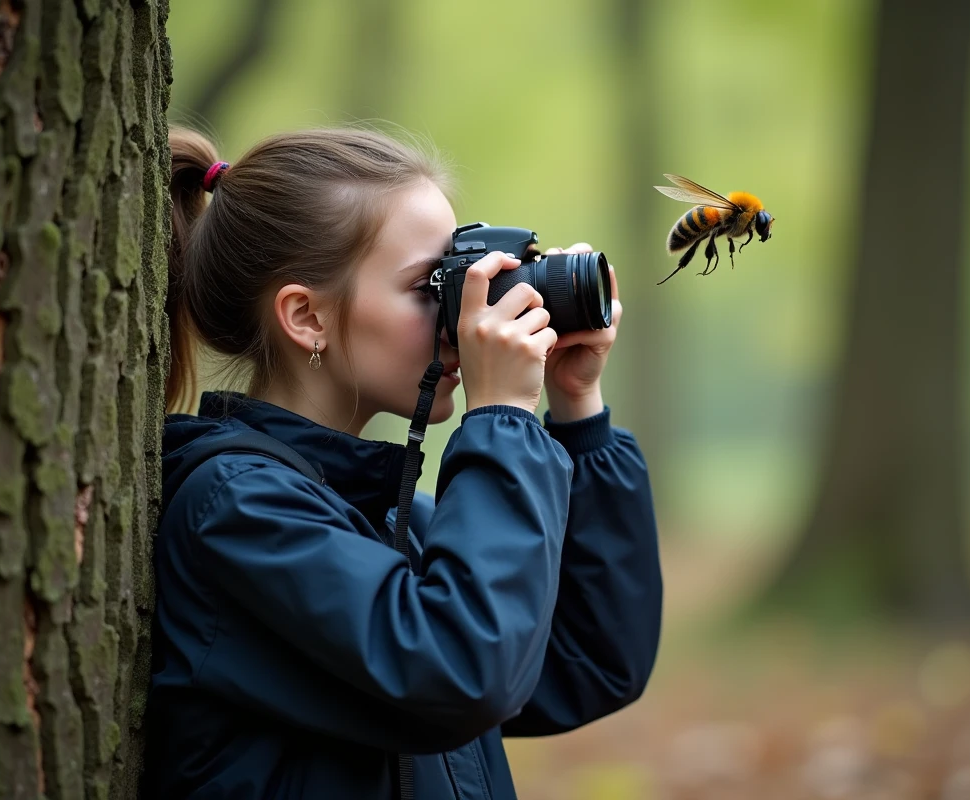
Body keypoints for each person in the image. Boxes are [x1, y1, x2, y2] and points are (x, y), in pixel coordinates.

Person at [144, 124, 662, 799]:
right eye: (430, 287)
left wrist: (577, 410)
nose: (462, 318)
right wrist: (499, 418)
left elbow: (588, 659)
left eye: (458, 276)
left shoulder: (393, 521)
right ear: (307, 318)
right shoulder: (237, 513)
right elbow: (459, 671)